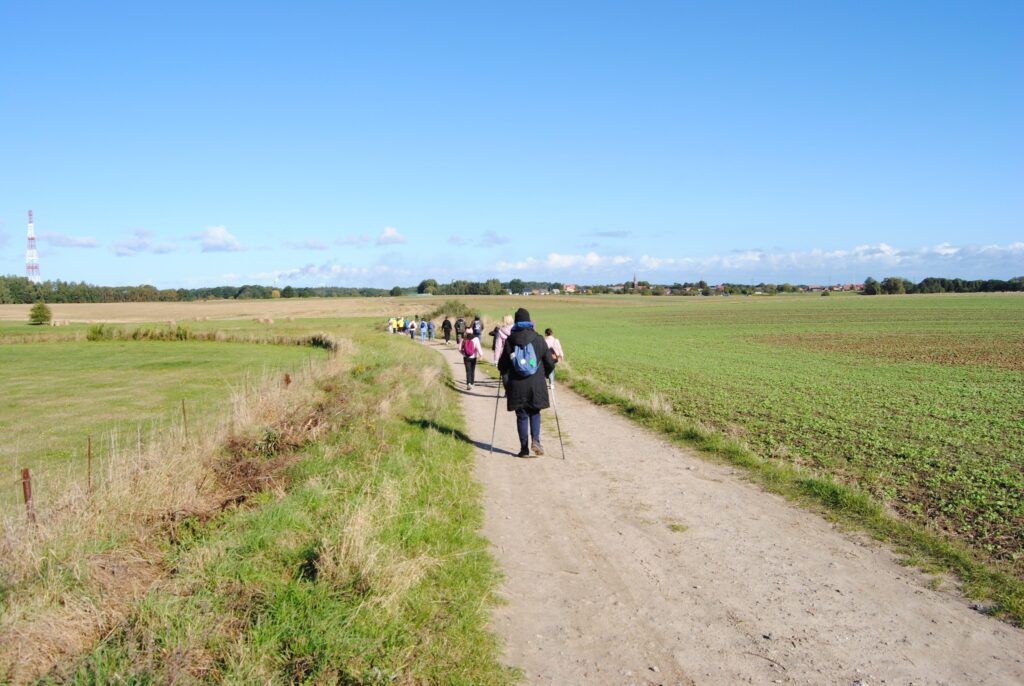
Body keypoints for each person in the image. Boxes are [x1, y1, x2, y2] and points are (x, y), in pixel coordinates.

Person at [497, 308, 556, 457]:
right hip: (536, 384)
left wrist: (505, 374)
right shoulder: (538, 339)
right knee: (535, 412)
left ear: (516, 322)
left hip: (517, 385)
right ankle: (536, 440)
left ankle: (524, 449)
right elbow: (549, 362)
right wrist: (546, 375)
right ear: (529, 321)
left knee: (522, 415)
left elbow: (502, 365)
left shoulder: (510, 340)